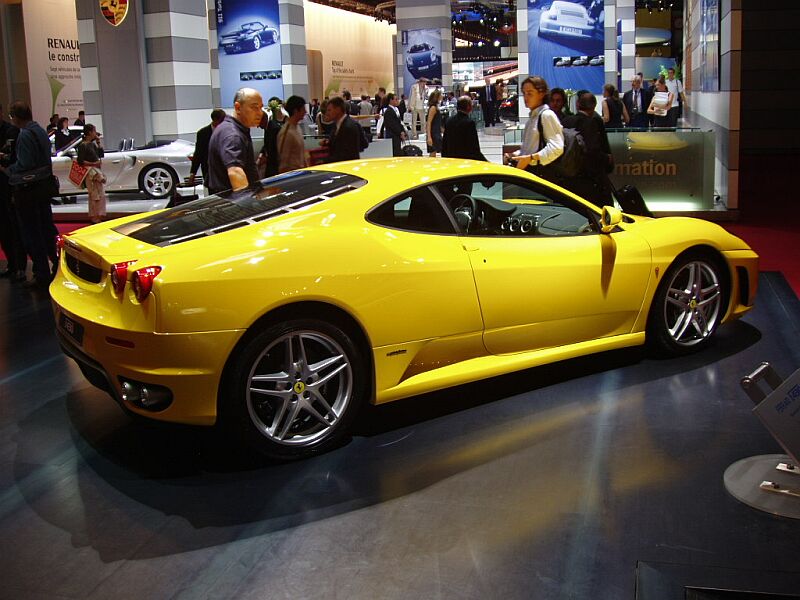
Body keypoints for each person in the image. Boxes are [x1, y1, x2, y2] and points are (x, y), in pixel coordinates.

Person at [0, 101, 57, 288]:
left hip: (28, 190)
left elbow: (24, 164)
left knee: (31, 233)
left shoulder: (24, 134)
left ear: (15, 116)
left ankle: (41, 272)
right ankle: (56, 264)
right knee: (47, 229)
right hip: (43, 188)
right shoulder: (39, 130)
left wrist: (7, 168)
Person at [504, 76, 564, 184]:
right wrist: (515, 154)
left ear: (541, 94)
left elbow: (557, 147)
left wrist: (531, 158)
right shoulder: (533, 118)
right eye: (524, 93)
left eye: (530, 93)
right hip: (530, 174)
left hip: (540, 176)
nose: (526, 97)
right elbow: (530, 148)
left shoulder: (547, 115)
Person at [207, 87, 263, 194]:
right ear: (238, 108)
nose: (260, 113)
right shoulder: (233, 135)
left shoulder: (230, 129)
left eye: (261, 107)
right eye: (254, 107)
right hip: (232, 204)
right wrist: (249, 204)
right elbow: (235, 172)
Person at [562, 93, 613, 208]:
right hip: (590, 179)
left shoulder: (566, 121)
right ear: (594, 106)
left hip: (569, 177)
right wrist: (607, 158)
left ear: (578, 104)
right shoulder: (592, 122)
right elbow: (593, 150)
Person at [0, 104, 25, 281]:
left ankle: (20, 267)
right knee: (3, 229)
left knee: (15, 227)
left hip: (8, 185)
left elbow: (13, 159)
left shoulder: (11, 132)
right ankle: (11, 263)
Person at [188, 108, 226, 189]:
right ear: (215, 120)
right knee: (212, 195)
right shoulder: (202, 133)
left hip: (225, 169)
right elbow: (198, 153)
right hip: (209, 170)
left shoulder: (227, 131)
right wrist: (193, 173)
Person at [441, 95, 487, 161]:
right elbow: (474, 147)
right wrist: (485, 161)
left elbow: (444, 144)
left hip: (451, 160)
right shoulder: (469, 123)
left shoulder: (449, 121)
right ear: (468, 107)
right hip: (465, 160)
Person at [77, 123, 106, 223]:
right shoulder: (83, 145)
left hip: (96, 170)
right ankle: (94, 217)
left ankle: (99, 215)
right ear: (90, 132)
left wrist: (98, 143)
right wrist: (93, 163)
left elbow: (101, 155)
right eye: (94, 131)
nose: (95, 133)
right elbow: (80, 161)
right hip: (90, 173)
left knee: (100, 194)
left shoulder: (92, 144)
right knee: (94, 195)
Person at [322, 96, 361, 163]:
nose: (327, 113)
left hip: (346, 167)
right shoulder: (337, 125)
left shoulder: (348, 127)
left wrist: (323, 162)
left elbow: (345, 155)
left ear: (338, 109)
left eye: (329, 110)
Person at [276, 95, 308, 173]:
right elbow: (283, 162)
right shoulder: (286, 132)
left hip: (301, 174)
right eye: (303, 109)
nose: (305, 112)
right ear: (295, 111)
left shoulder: (297, 127)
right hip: (293, 176)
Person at [260, 97, 285, 178]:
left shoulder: (274, 128)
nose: (257, 126)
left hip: (276, 163)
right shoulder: (269, 126)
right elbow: (267, 144)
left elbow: (276, 148)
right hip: (271, 162)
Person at [425, 89, 443, 157]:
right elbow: (429, 122)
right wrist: (429, 137)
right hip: (434, 133)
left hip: (436, 132)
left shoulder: (435, 107)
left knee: (434, 152)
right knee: (433, 152)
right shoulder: (433, 108)